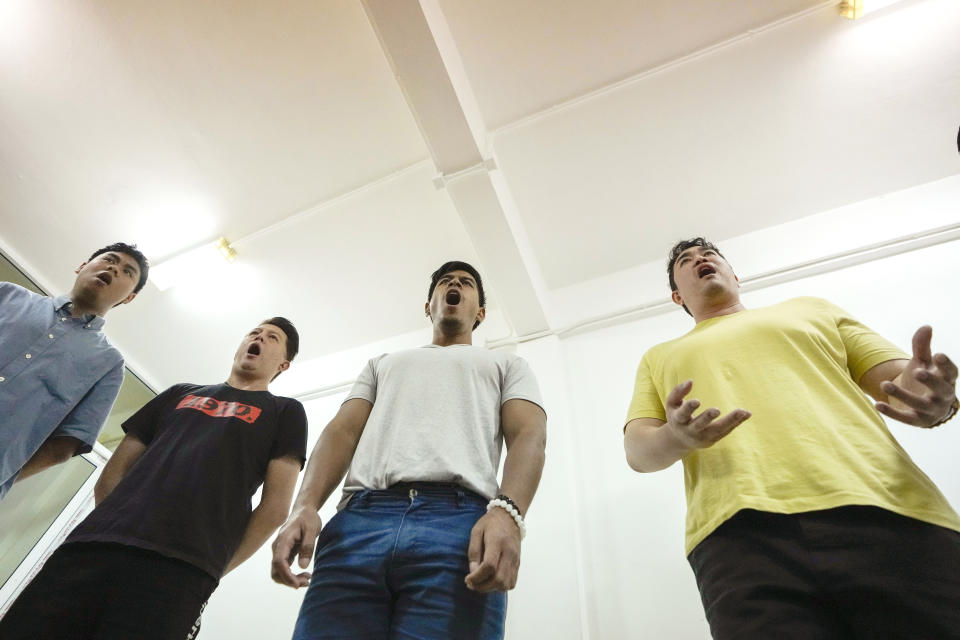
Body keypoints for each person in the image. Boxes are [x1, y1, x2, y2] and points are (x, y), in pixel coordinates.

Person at [623, 237, 960, 638]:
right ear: (677, 296)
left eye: (710, 254)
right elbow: (639, 452)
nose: (702, 258)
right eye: (686, 260)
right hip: (739, 538)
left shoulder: (811, 310)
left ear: (736, 275)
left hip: (887, 506)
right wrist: (676, 437)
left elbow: (903, 381)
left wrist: (936, 397)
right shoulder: (660, 356)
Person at [272, 261, 547, 640]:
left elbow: (529, 435)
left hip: (459, 529)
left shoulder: (506, 363)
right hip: (359, 524)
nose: (455, 285)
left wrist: (509, 514)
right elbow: (342, 431)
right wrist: (304, 506)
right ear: (428, 305)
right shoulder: (383, 364)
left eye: (465, 283)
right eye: (445, 282)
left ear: (480, 311)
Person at [0, 318, 308, 640]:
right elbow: (115, 469)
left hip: (180, 571)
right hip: (89, 548)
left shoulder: (285, 412)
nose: (259, 338)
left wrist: (213, 570)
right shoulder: (179, 393)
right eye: (254, 332)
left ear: (283, 365)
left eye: (272, 337)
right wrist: (111, 524)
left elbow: (275, 508)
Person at [0, 242, 148, 500]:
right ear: (82, 266)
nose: (114, 268)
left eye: (128, 272)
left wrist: (5, 477)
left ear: (129, 297)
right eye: (109, 259)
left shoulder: (109, 364)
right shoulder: (8, 295)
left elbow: (65, 446)